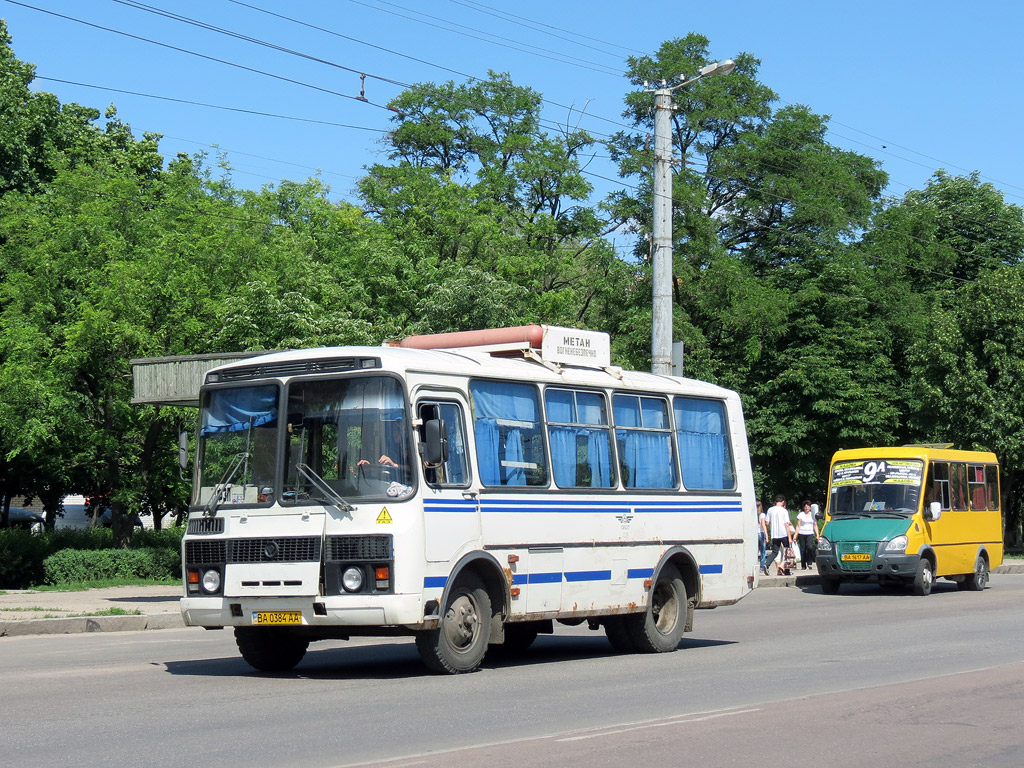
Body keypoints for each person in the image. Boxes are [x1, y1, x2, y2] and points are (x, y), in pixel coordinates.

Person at [763, 494, 795, 576]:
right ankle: (786, 570)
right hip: (783, 533)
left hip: (774, 534)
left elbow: (767, 522)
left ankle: (767, 564)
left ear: (775, 501)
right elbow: (786, 524)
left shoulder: (770, 510)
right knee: (787, 552)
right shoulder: (784, 511)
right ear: (783, 502)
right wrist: (790, 537)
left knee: (775, 552)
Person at [795, 499, 820, 569]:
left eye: (808, 507)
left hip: (810, 533)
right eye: (805, 507)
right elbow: (798, 526)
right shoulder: (801, 515)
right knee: (802, 549)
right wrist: (795, 535)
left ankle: (809, 562)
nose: (807, 508)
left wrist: (817, 534)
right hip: (802, 533)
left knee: (810, 547)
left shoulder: (813, 515)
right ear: (804, 507)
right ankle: (803, 564)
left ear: (810, 508)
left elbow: (815, 525)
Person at [757, 500, 768, 574]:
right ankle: (761, 568)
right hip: (761, 533)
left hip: (754, 534)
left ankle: (754, 566)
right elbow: (763, 525)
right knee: (763, 552)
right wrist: (767, 535)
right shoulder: (762, 515)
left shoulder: (752, 514)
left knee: (755, 551)